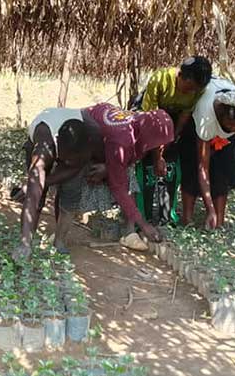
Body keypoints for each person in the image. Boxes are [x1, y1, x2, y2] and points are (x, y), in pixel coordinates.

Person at [53, 104, 174, 252]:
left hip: (106, 146)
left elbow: (152, 145)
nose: (160, 147)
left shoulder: (140, 124)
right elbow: (118, 187)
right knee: (72, 186)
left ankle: (129, 233)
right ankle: (59, 237)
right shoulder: (122, 141)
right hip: (81, 141)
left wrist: (158, 158)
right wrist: (144, 225)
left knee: (128, 176)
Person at [131, 56, 213, 224]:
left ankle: (167, 216)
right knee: (147, 166)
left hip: (173, 122)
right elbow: (151, 120)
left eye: (194, 90)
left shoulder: (199, 89)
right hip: (148, 120)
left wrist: (171, 140)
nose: (190, 92)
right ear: (181, 76)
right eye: (188, 87)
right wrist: (157, 156)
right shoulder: (160, 79)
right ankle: (143, 217)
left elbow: (184, 116)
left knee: (170, 168)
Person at [13, 108, 100, 260]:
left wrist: (104, 166)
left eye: (74, 159)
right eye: (67, 159)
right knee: (37, 197)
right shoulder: (42, 149)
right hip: (44, 143)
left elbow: (75, 167)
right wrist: (24, 243)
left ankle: (59, 241)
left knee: (70, 198)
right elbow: (32, 198)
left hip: (78, 148)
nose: (70, 163)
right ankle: (29, 241)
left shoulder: (91, 133)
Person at [179, 78, 235, 228]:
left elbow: (233, 130)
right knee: (192, 166)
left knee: (222, 170)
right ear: (221, 114)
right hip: (195, 126)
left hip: (222, 135)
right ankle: (187, 218)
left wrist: (222, 141)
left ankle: (218, 221)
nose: (234, 128)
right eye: (230, 124)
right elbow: (203, 168)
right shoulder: (205, 115)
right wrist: (209, 209)